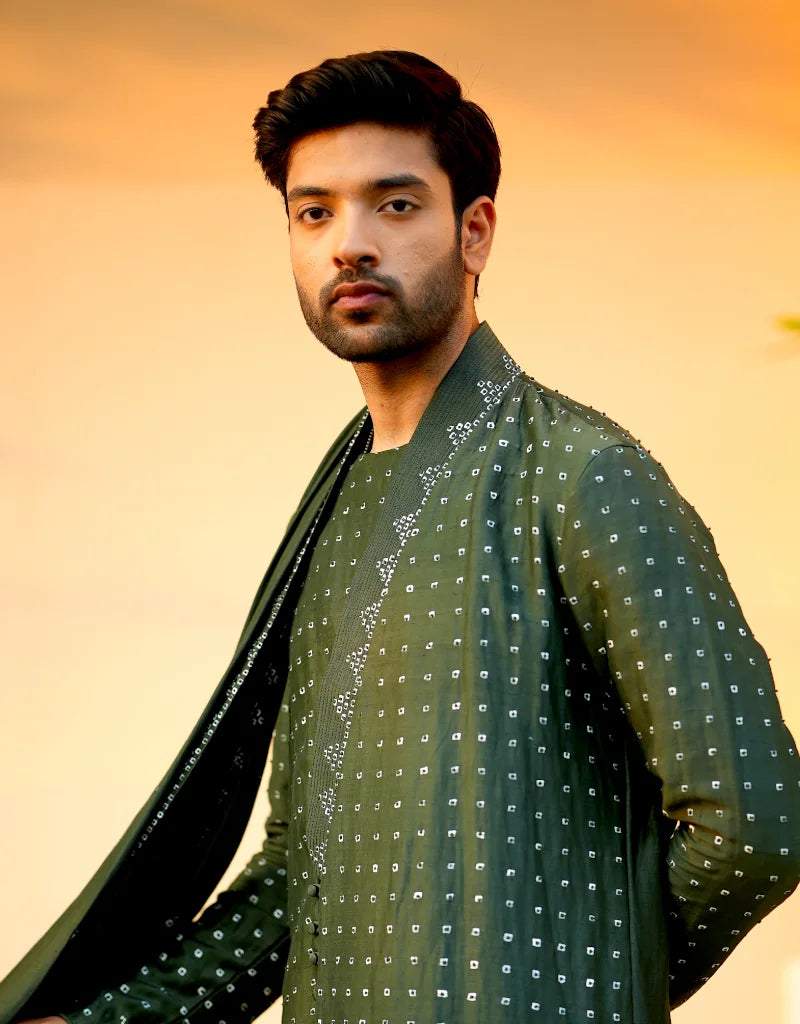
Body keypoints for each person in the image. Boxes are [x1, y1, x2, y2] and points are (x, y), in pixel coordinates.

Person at [2, 49, 798, 1024]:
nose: (348, 244)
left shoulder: (582, 476)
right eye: (313, 211)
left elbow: (753, 816)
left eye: (394, 204)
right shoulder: (336, 511)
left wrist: (567, 987)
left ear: (474, 232)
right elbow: (302, 875)